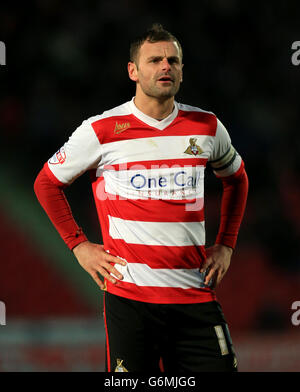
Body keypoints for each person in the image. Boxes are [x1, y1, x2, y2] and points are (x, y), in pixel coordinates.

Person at [34, 23, 248, 372]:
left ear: (181, 70)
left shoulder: (207, 127)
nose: (166, 66)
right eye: (155, 60)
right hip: (131, 300)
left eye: (173, 60)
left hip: (194, 295)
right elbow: (46, 183)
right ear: (133, 70)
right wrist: (79, 246)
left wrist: (226, 244)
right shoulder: (100, 130)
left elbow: (237, 180)